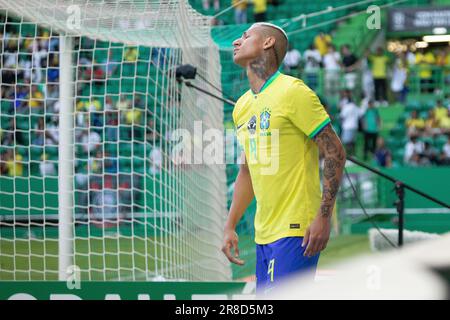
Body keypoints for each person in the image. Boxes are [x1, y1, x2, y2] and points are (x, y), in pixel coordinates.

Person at [224, 23, 346, 295]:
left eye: (245, 36)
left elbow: (335, 152)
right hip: (263, 233)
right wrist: (230, 225)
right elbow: (247, 171)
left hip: (296, 229)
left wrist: (323, 217)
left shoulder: (293, 91)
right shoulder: (242, 106)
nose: (236, 41)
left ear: (267, 43)